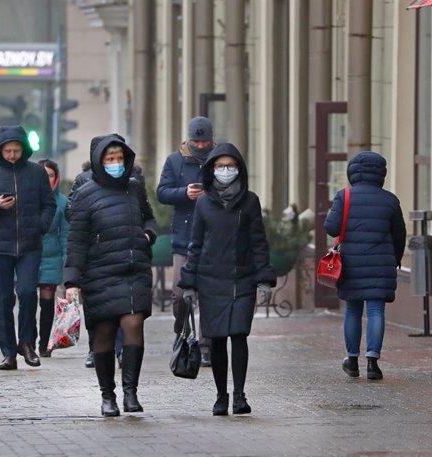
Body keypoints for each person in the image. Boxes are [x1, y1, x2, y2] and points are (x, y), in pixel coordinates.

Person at [179, 142, 276, 416]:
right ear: (212, 170)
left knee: (239, 335)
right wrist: (188, 283)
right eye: (220, 166)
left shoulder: (250, 201)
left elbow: (259, 242)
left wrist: (264, 279)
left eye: (230, 166)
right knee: (218, 340)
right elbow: (194, 245)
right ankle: (221, 396)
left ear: (239, 169)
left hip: (242, 281)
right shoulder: (204, 204)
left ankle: (240, 396)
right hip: (211, 282)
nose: (225, 171)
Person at [64, 134, 156, 417]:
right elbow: (76, 241)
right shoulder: (84, 194)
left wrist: (148, 234)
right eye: (109, 159)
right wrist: (72, 282)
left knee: (133, 324)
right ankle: (108, 396)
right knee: (103, 333)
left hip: (132, 270)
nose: (115, 163)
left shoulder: (134, 188)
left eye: (119, 158)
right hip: (99, 273)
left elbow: (149, 217)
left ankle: (131, 392)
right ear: (99, 162)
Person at [0, 125, 56, 370]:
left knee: (28, 292)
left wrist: (41, 225)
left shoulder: (37, 173)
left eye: (17, 150)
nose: (12, 155)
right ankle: (8, 351)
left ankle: (27, 342)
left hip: (30, 244)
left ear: (24, 149)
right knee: (4, 299)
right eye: (8, 150)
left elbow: (49, 204)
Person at [324, 151, 406, 381]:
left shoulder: (344, 196)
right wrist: (395, 259)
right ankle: (372, 362)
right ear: (381, 173)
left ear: (353, 172)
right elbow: (400, 235)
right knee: (376, 311)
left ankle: (351, 360)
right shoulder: (390, 200)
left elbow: (331, 227)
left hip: (351, 264)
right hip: (381, 264)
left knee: (352, 310)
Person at [157, 116, 216, 366]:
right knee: (180, 294)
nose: (200, 146)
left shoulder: (219, 159)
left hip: (213, 237)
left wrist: (210, 194)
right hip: (184, 237)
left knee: (208, 294)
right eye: (196, 141)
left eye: (204, 142)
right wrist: (185, 193)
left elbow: (234, 189)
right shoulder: (174, 161)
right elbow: (162, 192)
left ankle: (206, 345)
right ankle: (181, 334)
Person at [36, 159, 69, 357]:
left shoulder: (63, 203)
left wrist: (67, 262)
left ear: (56, 178)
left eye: (50, 175)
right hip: (28, 257)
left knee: (47, 304)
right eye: (42, 174)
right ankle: (27, 340)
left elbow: (66, 234)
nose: (46, 178)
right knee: (27, 301)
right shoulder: (26, 198)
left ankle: (44, 343)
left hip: (52, 258)